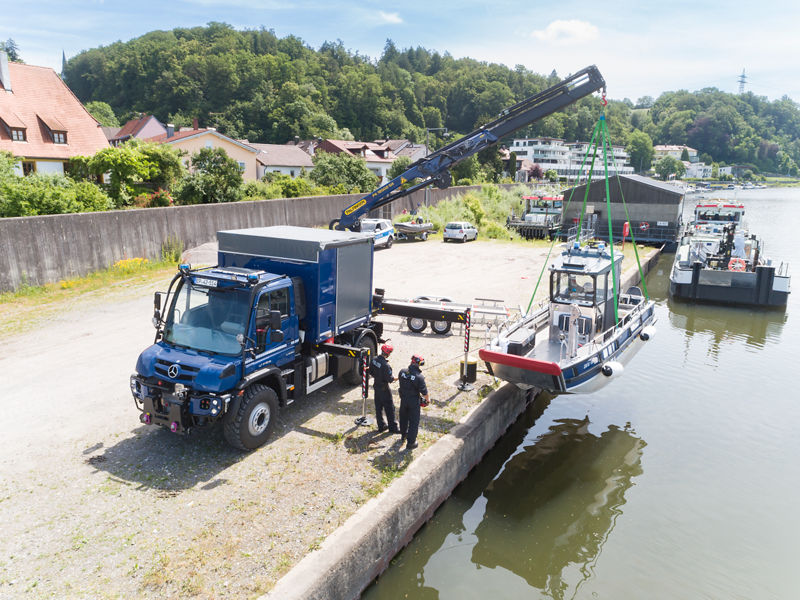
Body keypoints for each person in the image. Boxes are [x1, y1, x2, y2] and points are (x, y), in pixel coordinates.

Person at [398, 354, 429, 451]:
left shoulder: (402, 372)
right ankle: (411, 443)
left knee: (403, 418)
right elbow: (424, 393)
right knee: (414, 422)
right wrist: (428, 401)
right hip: (413, 402)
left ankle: (403, 435)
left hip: (403, 399)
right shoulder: (419, 377)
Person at [369, 344, 399, 433]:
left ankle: (381, 426)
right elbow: (390, 379)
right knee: (390, 408)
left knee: (378, 407)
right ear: (388, 354)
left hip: (376, 386)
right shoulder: (386, 366)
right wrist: (399, 377)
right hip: (384, 389)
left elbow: (371, 371)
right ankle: (393, 428)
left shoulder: (374, 359)